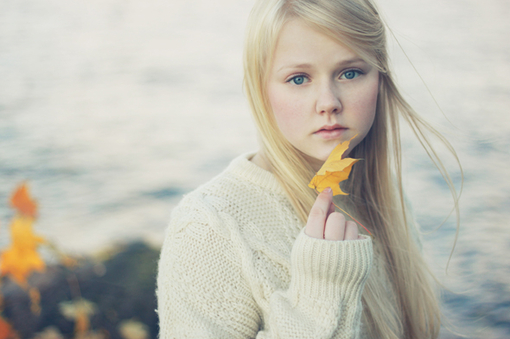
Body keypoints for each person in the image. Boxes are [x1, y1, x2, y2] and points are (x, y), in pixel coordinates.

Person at [157, 0, 460, 337]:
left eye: (350, 72)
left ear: (380, 78)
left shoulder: (382, 193)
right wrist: (322, 298)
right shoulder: (209, 226)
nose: (328, 101)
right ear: (261, 90)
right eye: (299, 78)